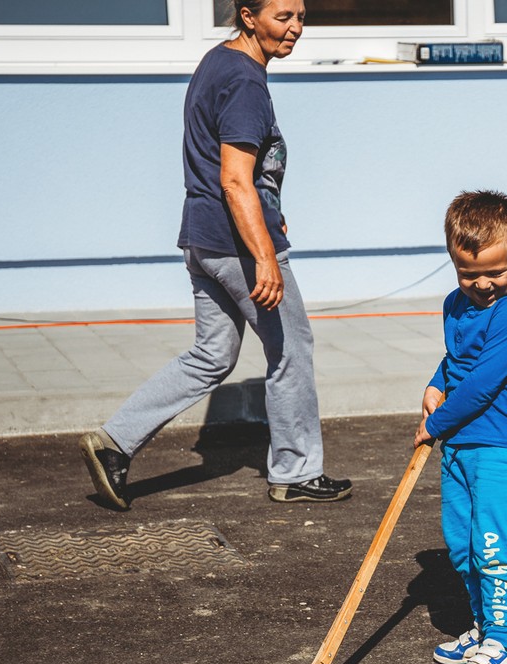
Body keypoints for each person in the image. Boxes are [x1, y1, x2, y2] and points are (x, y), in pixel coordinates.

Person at [79, 0, 350, 510]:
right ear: (249, 16)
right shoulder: (246, 82)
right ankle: (296, 471)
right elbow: (233, 178)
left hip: (202, 238)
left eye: (301, 17)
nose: (294, 29)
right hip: (236, 246)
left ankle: (114, 443)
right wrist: (265, 256)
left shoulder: (218, 61)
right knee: (291, 349)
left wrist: (272, 208)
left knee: (212, 354)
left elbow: (231, 169)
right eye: (282, 17)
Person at [414, 191, 507, 664]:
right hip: (461, 445)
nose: (484, 285)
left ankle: (504, 647)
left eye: (496, 272)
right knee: (464, 548)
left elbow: (485, 382)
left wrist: (437, 422)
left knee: (492, 547)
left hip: (502, 447)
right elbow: (460, 364)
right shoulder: (456, 305)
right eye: (470, 275)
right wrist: (436, 383)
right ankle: (482, 629)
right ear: (454, 263)